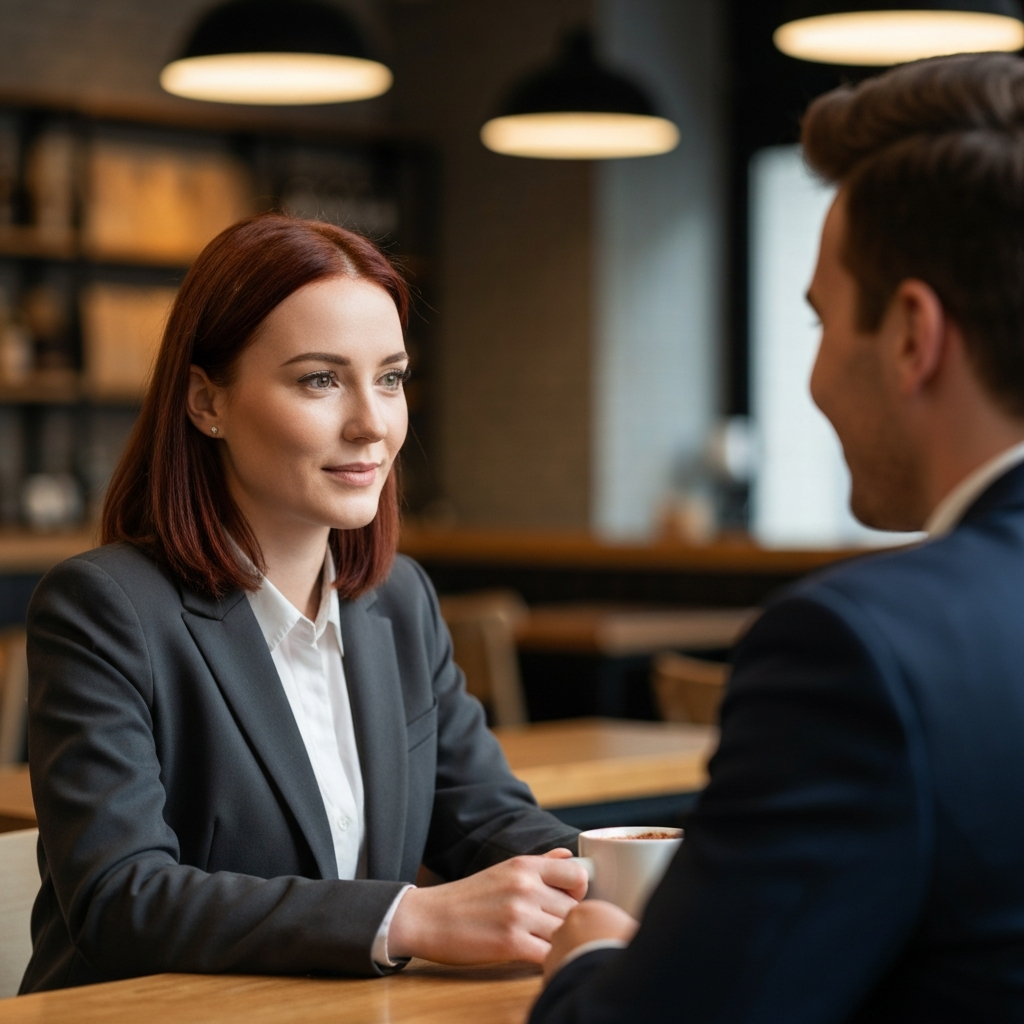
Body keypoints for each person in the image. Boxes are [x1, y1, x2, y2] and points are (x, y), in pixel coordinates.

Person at [531, 52, 1024, 1024]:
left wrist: (585, 963)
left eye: (818, 323)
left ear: (912, 335)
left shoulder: (861, 651)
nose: (814, 382)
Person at [21, 214, 587, 993]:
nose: (371, 424)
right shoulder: (103, 609)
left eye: (390, 378)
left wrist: (628, 876)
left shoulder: (399, 603)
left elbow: (488, 821)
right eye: (320, 379)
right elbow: (120, 900)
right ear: (204, 401)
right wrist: (408, 919)